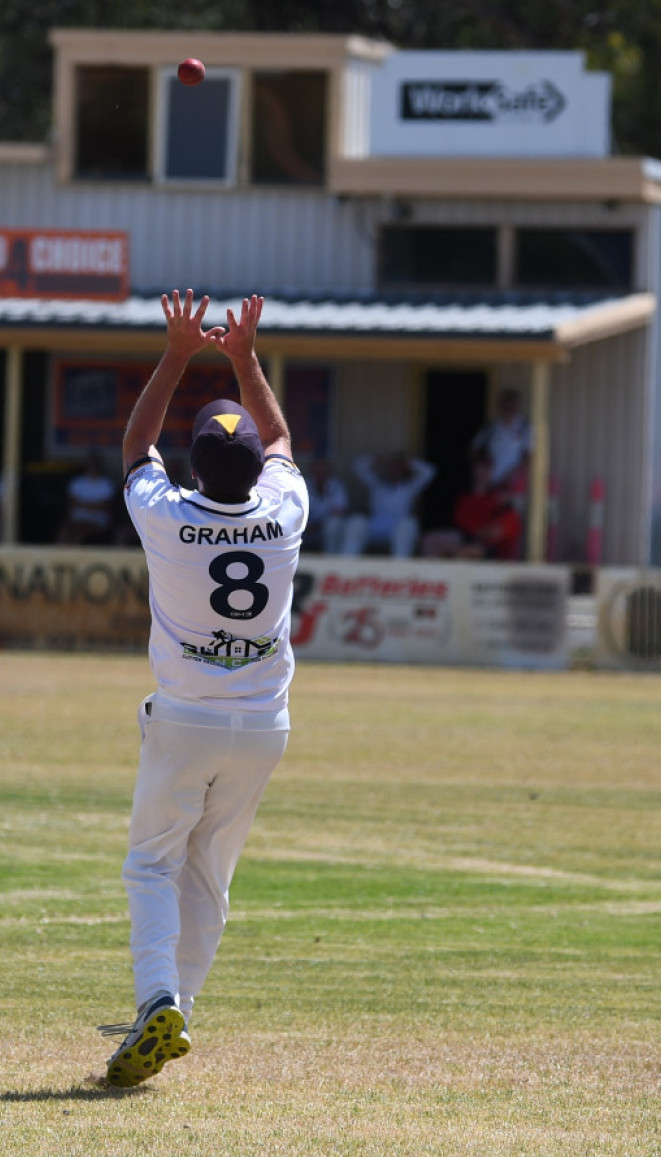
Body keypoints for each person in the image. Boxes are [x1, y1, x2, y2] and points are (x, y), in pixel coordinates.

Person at [100, 290, 308, 1089]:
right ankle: (176, 1004)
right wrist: (244, 355)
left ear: (194, 467)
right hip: (264, 725)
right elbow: (283, 433)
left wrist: (179, 352)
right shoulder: (286, 510)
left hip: (184, 715)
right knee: (208, 877)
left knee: (151, 866)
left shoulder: (166, 512)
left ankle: (158, 998)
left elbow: (134, 443)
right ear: (261, 466)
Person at [337, 451, 434, 557]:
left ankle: (401, 564)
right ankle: (347, 561)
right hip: (376, 524)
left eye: (397, 468)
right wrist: (378, 458)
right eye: (391, 468)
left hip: (397, 526)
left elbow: (429, 472)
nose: (394, 471)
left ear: (403, 471)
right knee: (357, 521)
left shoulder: (409, 487)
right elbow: (358, 467)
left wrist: (409, 463)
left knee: (409, 523)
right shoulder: (376, 484)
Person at [453, 453, 523, 560]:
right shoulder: (465, 497)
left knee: (468, 551)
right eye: (479, 468)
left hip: (492, 548)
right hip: (468, 538)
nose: (483, 473)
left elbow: (501, 530)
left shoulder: (499, 498)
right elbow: (461, 522)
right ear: (473, 471)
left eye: (487, 469)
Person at [472, 389, 532, 501]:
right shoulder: (490, 427)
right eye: (505, 404)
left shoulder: (524, 428)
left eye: (512, 405)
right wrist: (482, 471)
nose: (508, 408)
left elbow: (529, 456)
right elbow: (474, 449)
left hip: (514, 484)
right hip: (490, 483)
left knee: (511, 515)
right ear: (500, 405)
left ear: (517, 406)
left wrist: (512, 474)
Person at [301, 456, 348, 553]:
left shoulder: (336, 486)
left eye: (322, 472)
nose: (320, 475)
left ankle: (331, 557)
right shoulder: (303, 485)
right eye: (317, 472)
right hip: (305, 526)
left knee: (333, 524)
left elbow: (340, 510)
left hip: (326, 526)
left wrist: (320, 525)